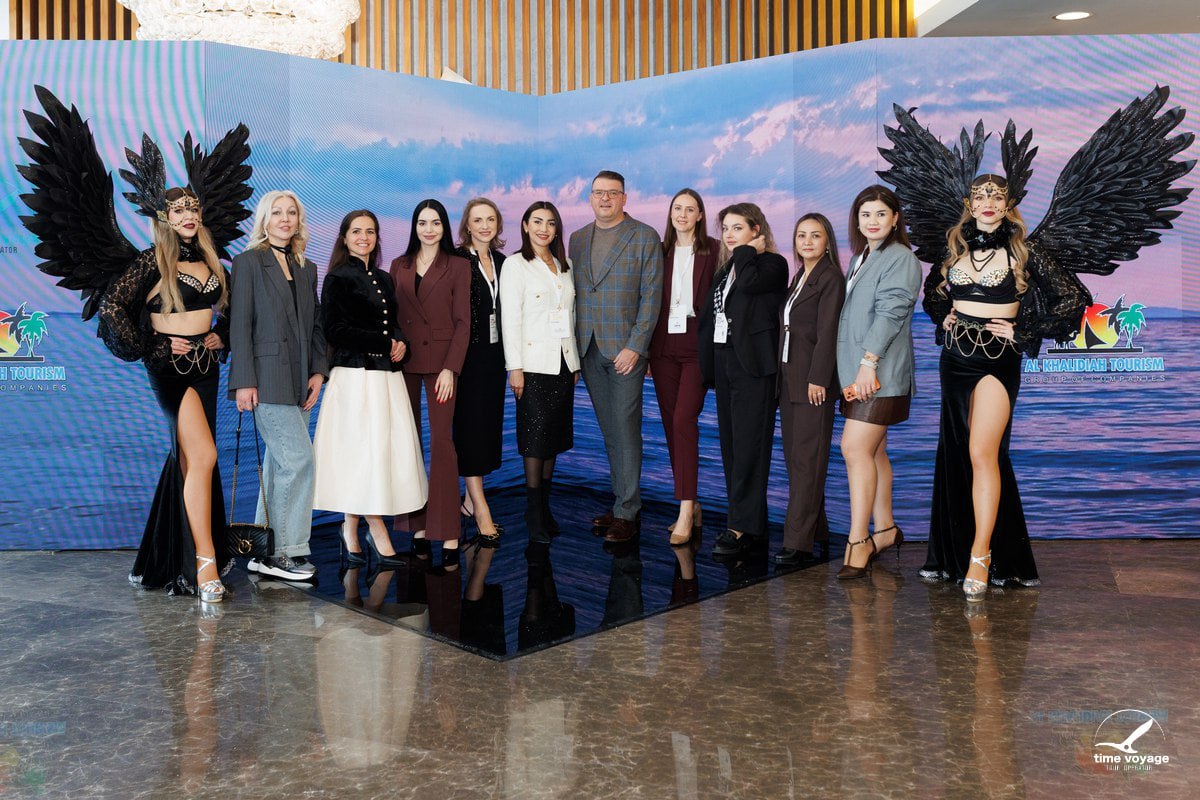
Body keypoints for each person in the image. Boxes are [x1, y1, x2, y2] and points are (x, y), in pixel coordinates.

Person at [920, 175, 1087, 597]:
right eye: (980, 196)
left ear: (1009, 203)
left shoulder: (1025, 250)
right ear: (969, 203)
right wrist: (944, 314)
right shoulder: (954, 248)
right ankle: (954, 551)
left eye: (997, 196)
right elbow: (932, 294)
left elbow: (1074, 298)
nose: (988, 202)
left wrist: (1025, 332)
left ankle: (981, 555)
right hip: (954, 359)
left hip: (997, 359)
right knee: (957, 451)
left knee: (982, 452)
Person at [100, 188, 234, 600]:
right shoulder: (151, 260)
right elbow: (111, 308)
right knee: (204, 456)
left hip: (206, 368)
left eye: (193, 208)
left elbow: (229, 308)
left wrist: (222, 335)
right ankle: (205, 563)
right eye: (178, 210)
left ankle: (174, 557)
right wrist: (153, 345)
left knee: (191, 462)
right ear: (165, 218)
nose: (188, 215)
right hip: (171, 371)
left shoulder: (211, 258)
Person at [312, 210, 428, 570]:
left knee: (377, 455)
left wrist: (401, 343)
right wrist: (384, 342)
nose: (364, 237)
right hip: (354, 377)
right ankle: (376, 529)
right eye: (357, 231)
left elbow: (392, 324)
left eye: (370, 232)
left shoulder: (383, 278)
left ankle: (350, 528)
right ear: (344, 237)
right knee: (360, 454)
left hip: (385, 377)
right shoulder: (337, 278)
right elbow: (334, 330)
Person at [230, 190, 329, 582]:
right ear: (264, 220)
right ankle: (286, 552)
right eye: (277, 213)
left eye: (291, 213)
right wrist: (243, 381)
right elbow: (240, 325)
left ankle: (261, 551)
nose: (285, 219)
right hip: (266, 379)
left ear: (299, 220)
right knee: (299, 461)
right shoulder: (248, 262)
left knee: (278, 464)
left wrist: (318, 372)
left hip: (301, 381)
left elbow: (317, 325)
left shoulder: (307, 267)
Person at [569, 170, 663, 543]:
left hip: (626, 351)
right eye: (598, 192)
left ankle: (628, 512)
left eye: (612, 192)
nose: (605, 199)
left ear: (625, 198)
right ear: (590, 197)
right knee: (610, 431)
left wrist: (636, 346)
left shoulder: (644, 236)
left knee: (625, 429)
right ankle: (621, 501)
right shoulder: (577, 239)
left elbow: (651, 295)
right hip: (589, 348)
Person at [835, 185, 921, 580]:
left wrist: (868, 364)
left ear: (895, 218)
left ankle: (858, 540)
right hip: (857, 373)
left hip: (877, 373)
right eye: (865, 214)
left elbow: (891, 313)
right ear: (857, 220)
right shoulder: (861, 258)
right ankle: (885, 528)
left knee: (854, 448)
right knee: (874, 451)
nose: (873, 221)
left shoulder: (901, 257)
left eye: (881, 214)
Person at [697, 203, 789, 557]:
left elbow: (751, 284)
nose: (730, 235)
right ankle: (751, 523)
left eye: (738, 228)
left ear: (756, 230)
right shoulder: (727, 270)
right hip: (725, 364)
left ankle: (739, 527)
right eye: (726, 229)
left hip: (753, 368)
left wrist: (749, 252)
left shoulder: (773, 264)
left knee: (750, 449)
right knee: (732, 448)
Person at [390, 199, 472, 565]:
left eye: (435, 223)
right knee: (409, 442)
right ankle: (417, 527)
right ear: (414, 226)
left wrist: (451, 368)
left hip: (441, 365)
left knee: (442, 443)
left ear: (444, 227)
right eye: (422, 223)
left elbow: (463, 323)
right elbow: (392, 316)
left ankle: (449, 530)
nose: (428, 229)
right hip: (404, 362)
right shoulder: (399, 264)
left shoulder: (458, 265)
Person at [499, 201, 581, 542]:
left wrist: (574, 361)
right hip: (532, 366)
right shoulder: (515, 265)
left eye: (550, 223)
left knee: (553, 439)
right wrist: (514, 367)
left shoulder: (565, 265)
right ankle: (533, 513)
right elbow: (510, 319)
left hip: (563, 364)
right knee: (534, 441)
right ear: (525, 225)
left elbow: (570, 316)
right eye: (537, 221)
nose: (543, 229)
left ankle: (544, 508)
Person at [775, 213, 846, 567]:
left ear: (827, 241)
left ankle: (797, 542)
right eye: (801, 235)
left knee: (806, 461)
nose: (807, 241)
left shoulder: (830, 278)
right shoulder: (800, 276)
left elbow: (828, 331)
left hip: (811, 383)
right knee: (796, 460)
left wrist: (819, 378)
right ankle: (817, 529)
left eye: (815, 235)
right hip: (790, 379)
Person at [648, 189, 719, 546]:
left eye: (690, 209)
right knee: (670, 426)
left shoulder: (715, 250)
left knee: (683, 420)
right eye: (677, 208)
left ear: (700, 216)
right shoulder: (658, 252)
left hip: (697, 347)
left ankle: (686, 509)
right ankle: (692, 502)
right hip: (662, 347)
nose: (683, 214)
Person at [453, 198, 508, 546]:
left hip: (495, 357)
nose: (485, 226)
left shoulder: (504, 262)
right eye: (478, 220)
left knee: (487, 429)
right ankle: (481, 508)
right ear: (467, 225)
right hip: (466, 357)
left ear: (498, 224)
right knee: (470, 429)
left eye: (490, 219)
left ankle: (470, 502)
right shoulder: (457, 260)